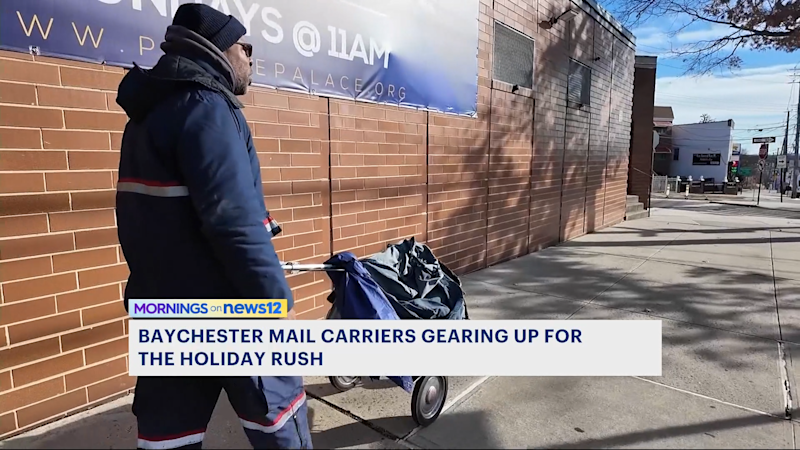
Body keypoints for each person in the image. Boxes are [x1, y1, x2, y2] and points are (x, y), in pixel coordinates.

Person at [114, 4, 312, 449]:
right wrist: (277, 303)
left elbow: (138, 222)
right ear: (221, 49)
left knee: (168, 437)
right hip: (231, 312)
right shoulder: (208, 107)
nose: (252, 60)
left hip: (163, 312)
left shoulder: (143, 118)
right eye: (248, 48)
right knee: (280, 424)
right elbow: (235, 223)